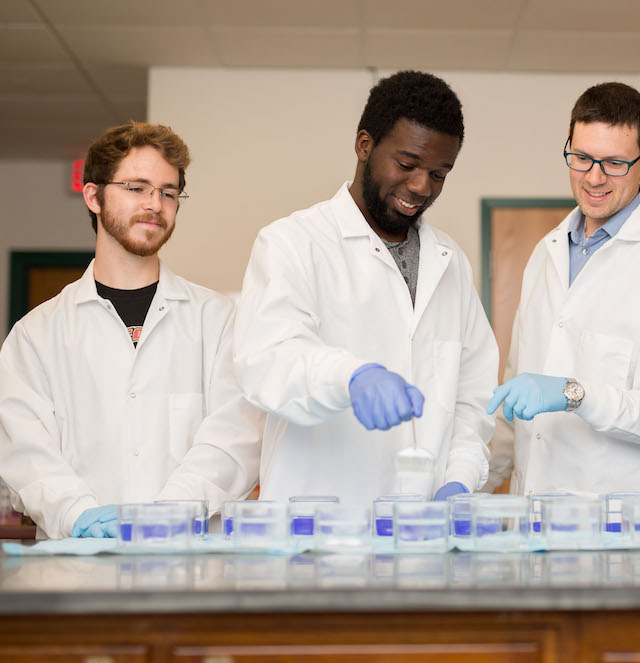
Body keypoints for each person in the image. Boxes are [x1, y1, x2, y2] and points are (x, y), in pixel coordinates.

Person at [234, 71, 498, 507]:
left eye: (439, 173)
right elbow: (268, 360)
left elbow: (473, 396)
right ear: (364, 145)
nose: (421, 187)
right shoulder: (294, 242)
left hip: (422, 530)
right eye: (407, 164)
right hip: (318, 531)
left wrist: (460, 478)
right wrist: (350, 377)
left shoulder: (451, 263)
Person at [0, 121, 263, 539]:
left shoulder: (217, 320)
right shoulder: (37, 335)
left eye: (168, 192)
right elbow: (26, 453)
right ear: (94, 196)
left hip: (190, 565)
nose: (155, 204)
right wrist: (76, 515)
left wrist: (169, 515)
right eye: (137, 188)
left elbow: (236, 439)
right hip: (80, 569)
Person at [485, 82, 640, 496]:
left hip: (627, 526)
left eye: (614, 163)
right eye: (581, 158)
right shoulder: (548, 253)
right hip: (536, 516)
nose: (593, 178)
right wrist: (473, 484)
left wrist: (575, 395)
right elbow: (515, 395)